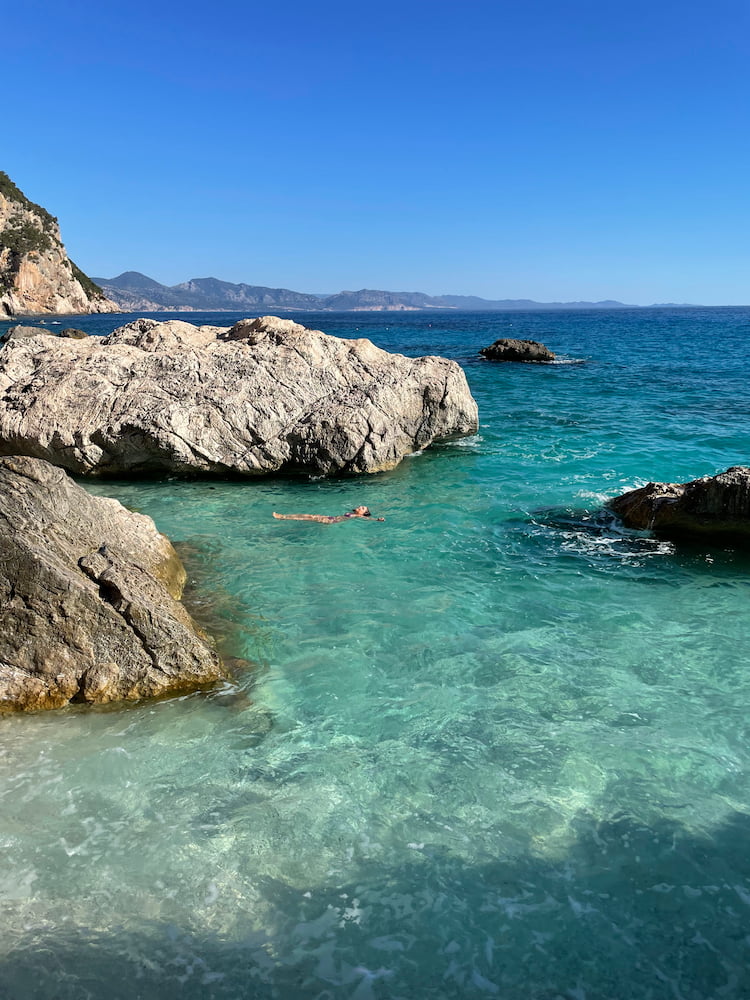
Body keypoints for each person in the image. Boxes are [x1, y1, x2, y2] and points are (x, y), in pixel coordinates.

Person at [272, 505, 385, 523]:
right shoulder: (352, 513)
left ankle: (282, 517)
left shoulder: (358, 515)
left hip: (331, 521)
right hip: (330, 518)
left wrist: (376, 520)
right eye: (361, 506)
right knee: (308, 516)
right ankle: (283, 517)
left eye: (363, 508)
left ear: (363, 513)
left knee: (308, 517)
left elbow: (367, 519)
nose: (360, 507)